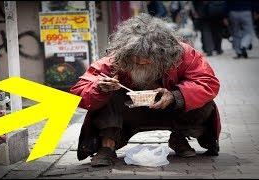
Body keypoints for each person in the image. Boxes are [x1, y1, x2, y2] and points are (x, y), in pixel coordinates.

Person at [70, 13, 221, 167]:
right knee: (107, 93)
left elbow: (207, 83)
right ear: (127, 52)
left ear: (164, 53)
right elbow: (78, 91)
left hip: (172, 110)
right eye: (136, 56)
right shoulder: (116, 59)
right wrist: (100, 88)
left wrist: (176, 96)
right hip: (131, 112)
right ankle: (107, 145)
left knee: (204, 102)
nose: (141, 60)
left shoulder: (183, 54)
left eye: (149, 56)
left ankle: (179, 137)